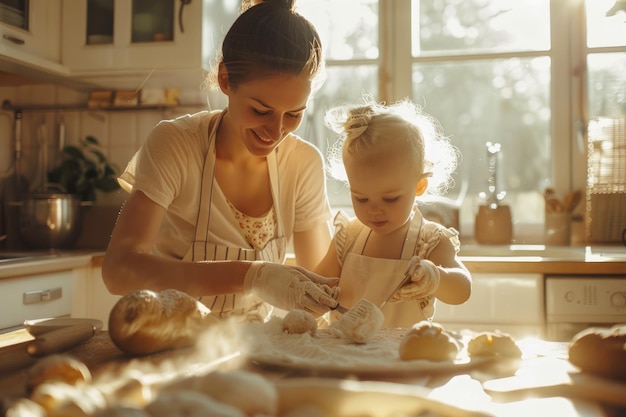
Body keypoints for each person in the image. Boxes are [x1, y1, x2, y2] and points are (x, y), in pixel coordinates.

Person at [102, 0, 340, 320]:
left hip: (257, 348)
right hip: (172, 341)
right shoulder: (177, 145)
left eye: (294, 115)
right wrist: (252, 276)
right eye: (260, 110)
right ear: (226, 80)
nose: (276, 130)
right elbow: (118, 270)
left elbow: (318, 284)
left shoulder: (302, 163)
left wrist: (367, 245)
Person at [315, 97, 471, 328]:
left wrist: (436, 278)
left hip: (405, 357)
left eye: (390, 199)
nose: (374, 209)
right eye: (361, 198)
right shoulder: (347, 238)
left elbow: (462, 290)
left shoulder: (429, 242)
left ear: (418, 186)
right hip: (343, 356)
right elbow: (317, 288)